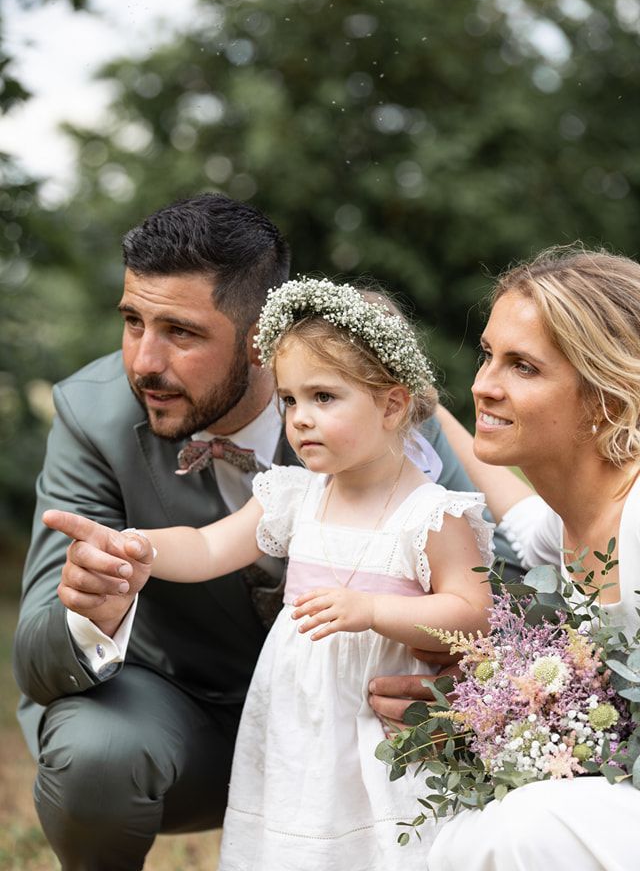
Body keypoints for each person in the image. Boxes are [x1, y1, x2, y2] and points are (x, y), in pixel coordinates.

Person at [13, 193, 511, 871]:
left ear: (261, 344)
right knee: (96, 754)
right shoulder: (92, 416)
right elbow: (44, 652)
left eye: (181, 333)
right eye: (133, 322)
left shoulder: (382, 419)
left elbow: (502, 593)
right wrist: (102, 595)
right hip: (186, 719)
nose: (143, 363)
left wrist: (464, 683)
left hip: (366, 727)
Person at [424, 246, 640, 871]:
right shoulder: (567, 523)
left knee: (523, 825)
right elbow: (517, 514)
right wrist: (423, 401)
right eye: (488, 354)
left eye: (522, 366)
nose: (483, 385)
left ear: (605, 396)